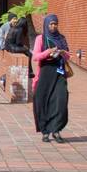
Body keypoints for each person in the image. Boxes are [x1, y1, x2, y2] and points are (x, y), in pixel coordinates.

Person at [32, 13, 71, 142]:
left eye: (55, 24)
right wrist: (48, 52)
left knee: (61, 100)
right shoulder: (41, 38)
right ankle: (45, 131)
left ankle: (56, 130)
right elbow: (36, 57)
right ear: (46, 24)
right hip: (45, 72)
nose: (53, 26)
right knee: (42, 100)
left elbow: (68, 56)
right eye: (51, 24)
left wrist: (63, 53)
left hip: (59, 72)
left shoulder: (61, 38)